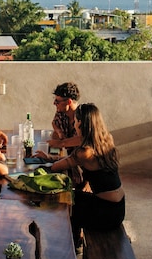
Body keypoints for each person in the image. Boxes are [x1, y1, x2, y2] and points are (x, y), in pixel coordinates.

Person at [36, 103, 124, 249]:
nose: (73, 123)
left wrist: (44, 162)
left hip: (105, 212)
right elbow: (67, 161)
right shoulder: (106, 139)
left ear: (80, 123)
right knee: (72, 197)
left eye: (75, 121)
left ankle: (64, 248)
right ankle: (75, 241)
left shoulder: (84, 152)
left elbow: (56, 167)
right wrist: (49, 157)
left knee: (60, 202)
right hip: (118, 207)